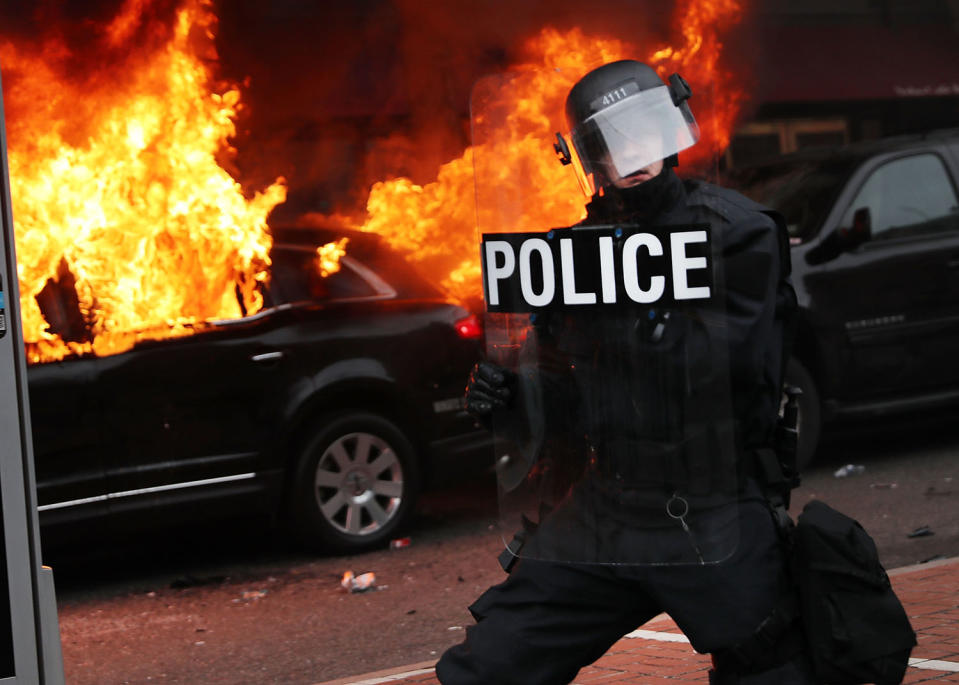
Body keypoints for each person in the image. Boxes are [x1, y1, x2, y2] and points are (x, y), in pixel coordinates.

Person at [436, 59, 814, 684]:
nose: (631, 153)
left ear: (670, 130)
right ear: (589, 160)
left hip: (712, 504)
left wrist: (659, 323)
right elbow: (570, 396)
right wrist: (514, 394)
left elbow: (744, 374)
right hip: (608, 506)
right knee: (490, 666)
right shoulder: (571, 257)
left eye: (643, 130)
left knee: (774, 666)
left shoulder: (735, 233)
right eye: (610, 142)